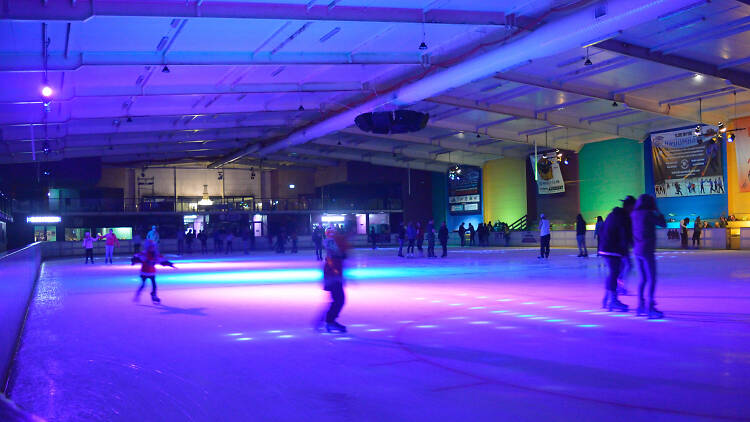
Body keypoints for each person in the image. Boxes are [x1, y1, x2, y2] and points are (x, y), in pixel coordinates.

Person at [631, 194, 667, 319]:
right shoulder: (649, 214)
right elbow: (663, 223)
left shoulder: (634, 214)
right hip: (647, 249)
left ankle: (640, 306)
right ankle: (650, 308)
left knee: (643, 279)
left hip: (637, 250)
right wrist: (657, 210)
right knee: (652, 279)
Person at [599, 196, 636, 312]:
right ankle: (613, 300)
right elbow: (625, 236)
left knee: (613, 273)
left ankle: (607, 298)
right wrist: (627, 252)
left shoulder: (612, 214)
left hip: (605, 247)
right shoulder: (625, 217)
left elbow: (602, 230)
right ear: (630, 206)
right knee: (615, 273)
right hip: (613, 249)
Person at [319, 227, 349, 333]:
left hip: (332, 275)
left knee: (337, 299)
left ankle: (327, 319)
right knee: (339, 299)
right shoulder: (333, 242)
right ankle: (329, 320)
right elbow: (338, 255)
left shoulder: (331, 242)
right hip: (333, 275)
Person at [131, 239, 174, 304]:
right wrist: (134, 261)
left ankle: (154, 295)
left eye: (153, 247)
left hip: (151, 272)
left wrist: (170, 264)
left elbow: (162, 260)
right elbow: (136, 257)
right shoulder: (144, 253)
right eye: (150, 247)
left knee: (154, 285)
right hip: (144, 272)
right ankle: (138, 293)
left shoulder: (156, 254)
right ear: (147, 247)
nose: (152, 248)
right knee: (143, 284)